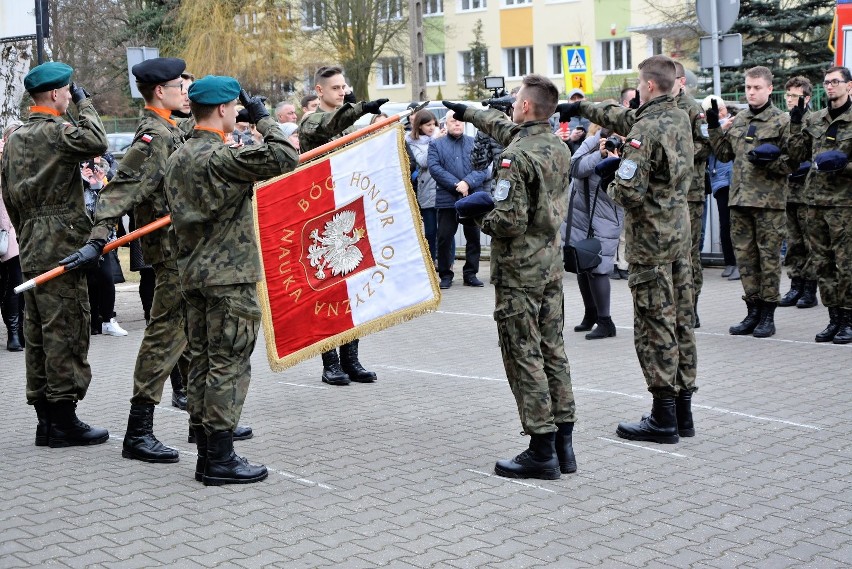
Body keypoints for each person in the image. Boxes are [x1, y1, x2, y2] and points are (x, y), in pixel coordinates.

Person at [443, 73, 577, 480]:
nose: (511, 104)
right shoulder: (556, 146)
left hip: (519, 271)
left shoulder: (515, 158)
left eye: (516, 99)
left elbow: (509, 220)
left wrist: (477, 212)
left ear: (526, 107)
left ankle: (541, 449)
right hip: (550, 267)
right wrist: (467, 112)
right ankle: (564, 445)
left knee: (524, 355)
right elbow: (503, 127)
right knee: (553, 350)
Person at [165, 76, 299, 485]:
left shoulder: (178, 157)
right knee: (228, 365)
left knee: (203, 364)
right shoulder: (220, 157)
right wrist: (264, 117)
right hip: (228, 279)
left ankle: (208, 456)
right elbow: (284, 157)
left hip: (193, 276)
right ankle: (220, 460)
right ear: (223, 109)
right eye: (235, 108)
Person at [557, 54, 697, 444]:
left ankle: (663, 417)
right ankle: (683, 412)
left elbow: (629, 191)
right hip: (679, 238)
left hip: (650, 241)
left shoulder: (645, 129)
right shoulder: (679, 116)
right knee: (681, 320)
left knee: (655, 325)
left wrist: (612, 173)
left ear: (649, 85)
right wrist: (582, 106)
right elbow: (628, 118)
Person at [74, 57, 189, 464]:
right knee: (164, 338)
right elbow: (120, 189)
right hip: (171, 252)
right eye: (180, 86)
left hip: (187, 249)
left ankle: (202, 419)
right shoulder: (152, 136)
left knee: (189, 333)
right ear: (161, 92)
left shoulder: (173, 128)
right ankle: (138, 432)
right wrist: (98, 236)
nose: (186, 91)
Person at [0, 61, 110, 447]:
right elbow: (97, 141)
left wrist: (28, 227)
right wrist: (85, 103)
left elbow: (9, 196)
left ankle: (45, 420)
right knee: (65, 328)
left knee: (39, 330)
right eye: (67, 91)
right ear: (54, 94)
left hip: (30, 237)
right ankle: (64, 419)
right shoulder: (59, 132)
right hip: (62, 238)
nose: (70, 95)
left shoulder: (13, 139)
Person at [298, 65, 387, 386]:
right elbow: (332, 123)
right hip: (323, 220)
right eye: (336, 88)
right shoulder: (311, 122)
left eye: (345, 87)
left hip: (350, 214)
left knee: (353, 290)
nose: (343, 92)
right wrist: (360, 108)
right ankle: (330, 362)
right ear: (319, 91)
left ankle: (351, 359)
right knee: (328, 293)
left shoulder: (345, 128)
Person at [707, 66, 791, 338]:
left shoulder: (782, 121)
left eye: (756, 87)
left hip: (768, 203)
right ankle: (752, 310)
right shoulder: (740, 119)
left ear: (769, 88)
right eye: (748, 87)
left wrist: (772, 162)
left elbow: (794, 160)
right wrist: (713, 127)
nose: (751, 92)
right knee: (745, 259)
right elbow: (723, 154)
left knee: (768, 260)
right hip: (739, 200)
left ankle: (768, 314)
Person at [786, 65, 852, 344]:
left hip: (844, 204)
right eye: (826, 82)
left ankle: (848, 320)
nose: (830, 86)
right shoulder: (814, 119)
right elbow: (796, 154)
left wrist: (845, 165)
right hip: (814, 202)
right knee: (822, 264)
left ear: (849, 86)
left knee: (846, 264)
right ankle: (833, 318)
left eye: (836, 82)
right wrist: (796, 121)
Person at [568, 124, 624, 339]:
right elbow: (575, 168)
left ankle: (606, 321)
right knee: (584, 265)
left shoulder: (628, 148)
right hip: (582, 215)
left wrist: (614, 156)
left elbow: (620, 181)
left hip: (606, 215)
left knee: (599, 268)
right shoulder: (590, 144)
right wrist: (598, 150)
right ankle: (590, 314)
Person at [428, 110, 487, 290]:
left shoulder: (474, 143)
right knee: (444, 238)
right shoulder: (437, 145)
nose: (457, 124)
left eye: (460, 121)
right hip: (448, 198)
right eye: (453, 121)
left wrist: (467, 182)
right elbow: (434, 168)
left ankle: (471, 273)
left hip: (471, 198)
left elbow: (482, 167)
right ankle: (445, 275)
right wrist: (456, 184)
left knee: (473, 237)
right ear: (446, 124)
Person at [673, 61, 710, 327]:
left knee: (690, 252)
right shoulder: (660, 108)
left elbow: (706, 145)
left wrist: (677, 155)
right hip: (669, 193)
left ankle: (692, 305)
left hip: (691, 192)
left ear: (682, 81)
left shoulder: (692, 109)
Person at [779, 76, 818, 309]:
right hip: (788, 189)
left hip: (808, 190)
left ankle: (809, 288)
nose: (791, 100)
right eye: (788, 95)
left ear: (807, 98)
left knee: (809, 241)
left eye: (795, 96)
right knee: (793, 241)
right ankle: (795, 285)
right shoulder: (784, 120)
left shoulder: (815, 120)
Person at [81, 155, 128, 337]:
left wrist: (99, 183)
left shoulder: (104, 169)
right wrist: (82, 181)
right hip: (81, 235)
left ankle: (108, 320)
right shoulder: (71, 169)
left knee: (106, 279)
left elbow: (111, 201)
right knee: (89, 281)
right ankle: (93, 322)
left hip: (102, 236)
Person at [702, 96, 738, 280]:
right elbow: (704, 142)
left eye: (722, 110)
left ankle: (740, 263)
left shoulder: (737, 121)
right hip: (720, 181)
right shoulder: (708, 128)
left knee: (739, 223)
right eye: (716, 112)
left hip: (737, 180)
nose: (721, 114)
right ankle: (730, 261)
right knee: (725, 224)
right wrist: (717, 127)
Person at [1, 121, 25, 352]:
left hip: (19, 234)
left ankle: (16, 333)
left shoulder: (26, 163)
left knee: (18, 283)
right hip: (4, 231)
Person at [406, 110, 441, 263]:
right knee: (430, 231)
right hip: (426, 190)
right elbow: (423, 162)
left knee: (445, 232)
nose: (432, 128)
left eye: (434, 124)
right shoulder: (412, 142)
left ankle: (448, 265)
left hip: (442, 189)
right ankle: (430, 262)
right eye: (428, 125)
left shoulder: (440, 138)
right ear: (419, 126)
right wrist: (434, 142)